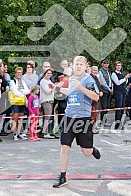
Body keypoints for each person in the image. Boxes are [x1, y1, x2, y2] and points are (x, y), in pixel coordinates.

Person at [53, 56, 100, 188]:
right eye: (76, 64)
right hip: (69, 117)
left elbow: (96, 96)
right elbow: (70, 92)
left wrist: (81, 87)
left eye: (81, 64)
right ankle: (62, 177)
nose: (78, 66)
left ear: (85, 66)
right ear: (72, 66)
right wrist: (57, 89)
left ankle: (92, 150)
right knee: (64, 147)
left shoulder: (89, 79)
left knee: (86, 153)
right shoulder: (71, 79)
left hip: (83, 119)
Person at [9, 67, 30, 140]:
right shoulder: (12, 81)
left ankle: (19, 133)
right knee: (15, 117)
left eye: (20, 73)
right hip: (15, 102)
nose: (19, 74)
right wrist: (22, 93)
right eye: (18, 72)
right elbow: (14, 91)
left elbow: (27, 91)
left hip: (22, 101)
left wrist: (21, 92)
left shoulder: (23, 82)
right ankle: (14, 134)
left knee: (20, 117)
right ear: (15, 73)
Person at [111, 61, 130, 129]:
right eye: (117, 65)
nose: (119, 67)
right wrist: (125, 78)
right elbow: (117, 83)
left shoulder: (121, 73)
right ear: (115, 66)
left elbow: (125, 82)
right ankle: (117, 124)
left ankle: (121, 123)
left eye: (120, 65)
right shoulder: (114, 74)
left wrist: (126, 79)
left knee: (122, 108)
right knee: (118, 108)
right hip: (118, 92)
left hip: (123, 91)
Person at [98, 58, 113, 126]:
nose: (106, 64)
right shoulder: (100, 71)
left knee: (107, 106)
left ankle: (105, 119)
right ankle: (102, 120)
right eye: (105, 63)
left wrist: (111, 88)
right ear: (102, 64)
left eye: (107, 63)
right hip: (104, 90)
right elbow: (103, 82)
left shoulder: (108, 71)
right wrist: (108, 89)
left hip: (109, 89)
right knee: (104, 106)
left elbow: (110, 80)